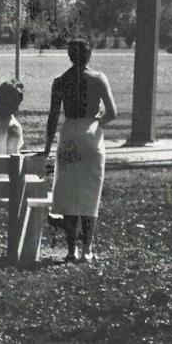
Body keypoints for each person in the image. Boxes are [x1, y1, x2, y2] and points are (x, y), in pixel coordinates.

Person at [42, 37, 117, 262]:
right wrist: (95, 125)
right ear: (89, 54)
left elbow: (53, 117)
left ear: (70, 56)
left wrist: (46, 147)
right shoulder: (98, 78)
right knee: (89, 192)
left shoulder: (60, 81)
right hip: (91, 135)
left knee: (68, 191)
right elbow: (112, 112)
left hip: (69, 135)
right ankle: (87, 249)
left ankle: (71, 249)